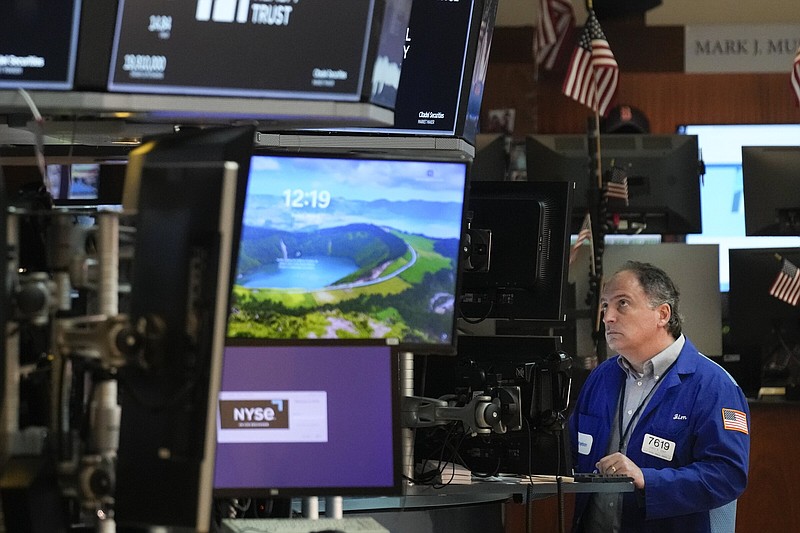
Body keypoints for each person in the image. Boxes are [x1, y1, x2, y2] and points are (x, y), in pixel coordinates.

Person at [569, 261, 750, 532]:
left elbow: (727, 476)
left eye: (623, 304)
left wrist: (647, 479)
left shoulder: (714, 385)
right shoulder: (601, 378)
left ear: (662, 314)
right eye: (605, 306)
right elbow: (569, 454)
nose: (607, 317)